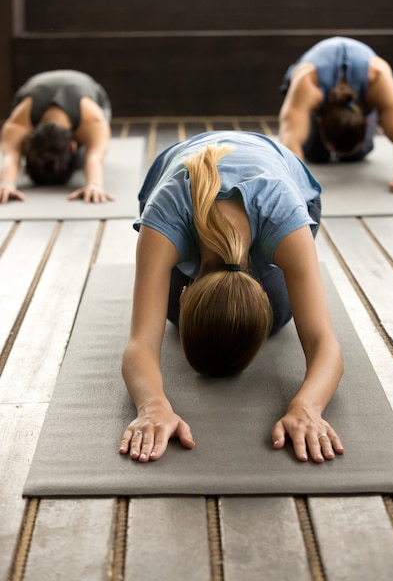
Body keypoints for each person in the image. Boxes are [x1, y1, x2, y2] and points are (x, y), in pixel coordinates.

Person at [119, 130, 344, 465]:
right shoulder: (163, 218)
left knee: (273, 315)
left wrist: (307, 408)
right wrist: (151, 405)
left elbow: (324, 342)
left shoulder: (284, 217)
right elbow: (140, 343)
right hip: (176, 171)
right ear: (185, 295)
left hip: (281, 177)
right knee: (244, 318)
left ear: (185, 294)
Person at [278, 36, 393, 195]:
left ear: (366, 122)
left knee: (357, 154)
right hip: (311, 91)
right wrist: (297, 181)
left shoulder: (378, 82)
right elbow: (290, 137)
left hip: (363, 93)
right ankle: (321, 146)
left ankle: (354, 150)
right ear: (320, 121)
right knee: (315, 154)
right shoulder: (309, 85)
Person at [0, 69, 114, 204]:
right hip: (34, 91)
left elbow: (94, 157)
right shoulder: (19, 121)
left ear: (74, 145)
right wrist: (6, 184)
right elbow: (10, 156)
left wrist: (95, 184)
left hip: (91, 93)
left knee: (78, 163)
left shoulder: (93, 120)